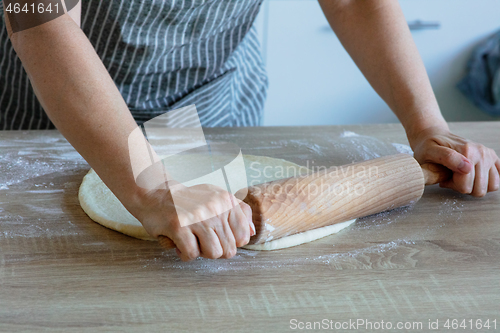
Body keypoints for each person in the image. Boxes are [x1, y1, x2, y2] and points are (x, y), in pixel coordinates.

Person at [1, 0, 499, 261]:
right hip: (62, 115)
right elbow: (42, 19)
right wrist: (150, 186)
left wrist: (426, 124)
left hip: (206, 97)